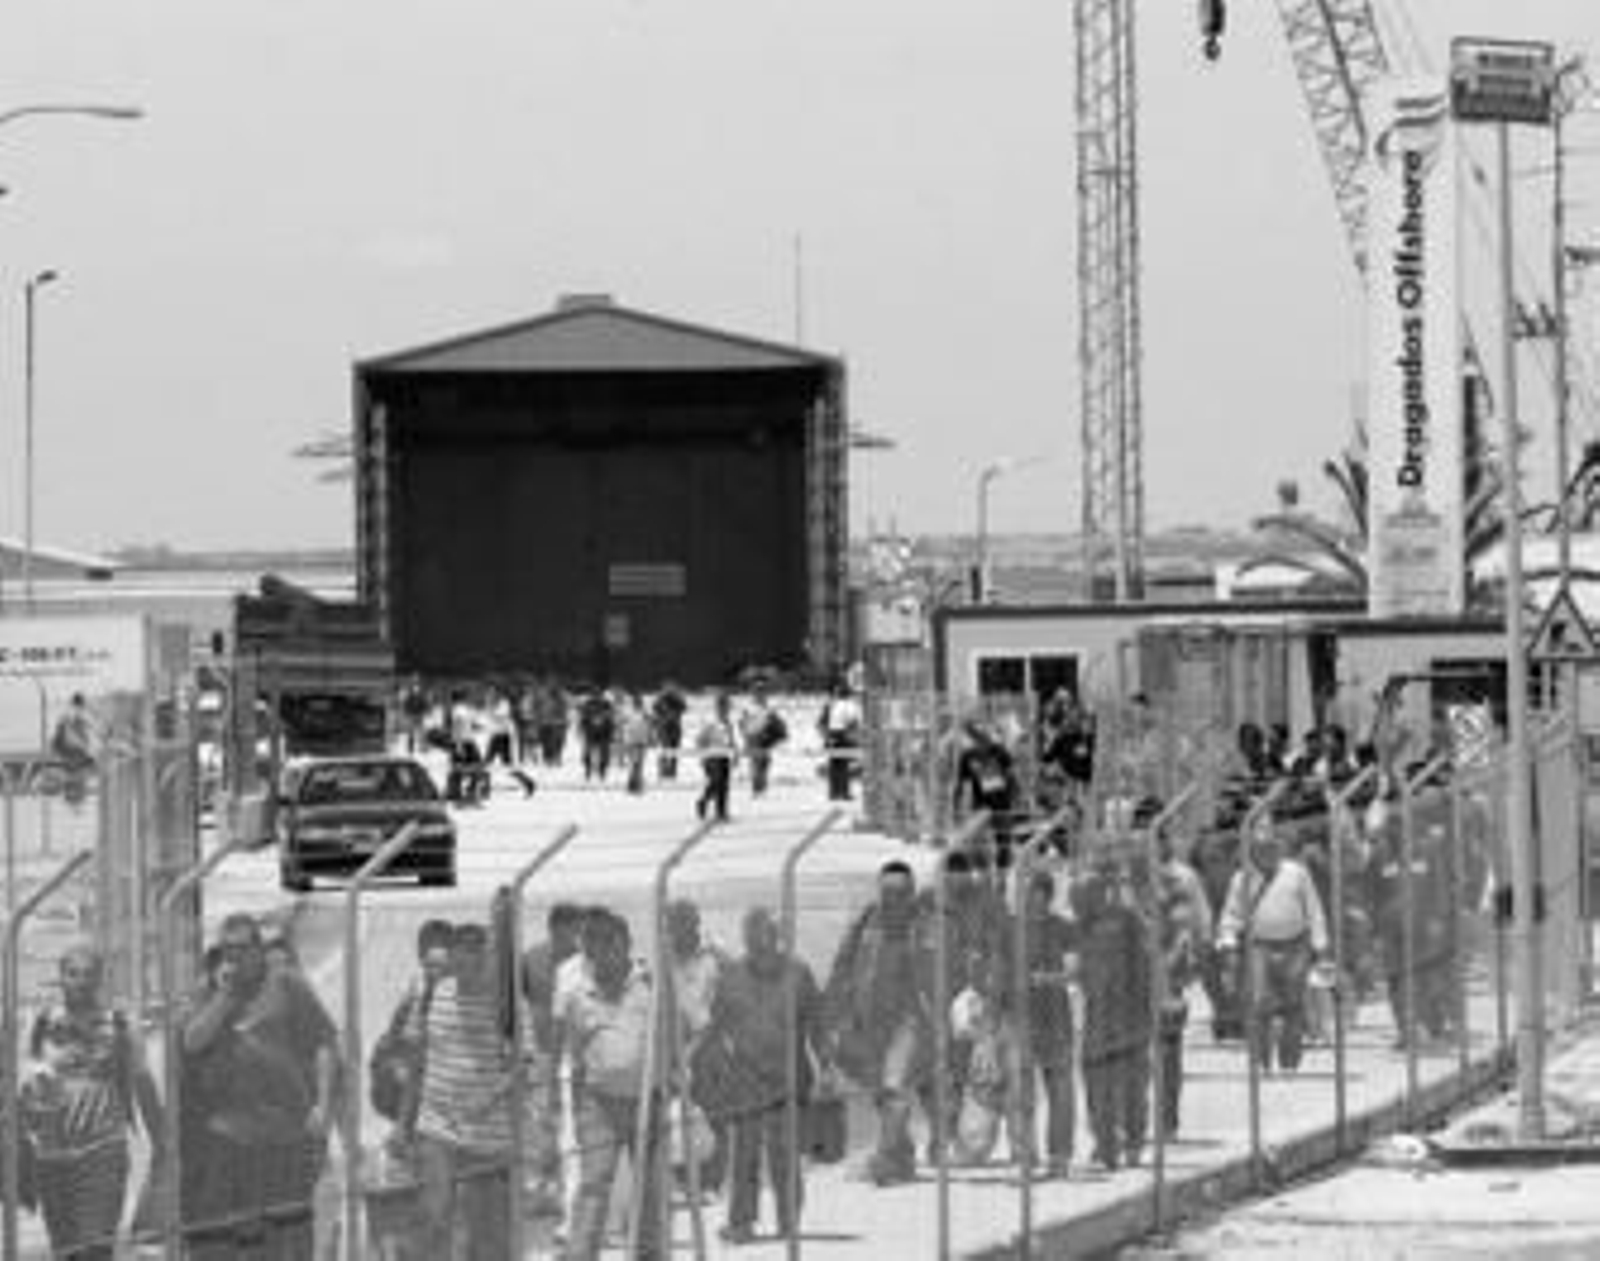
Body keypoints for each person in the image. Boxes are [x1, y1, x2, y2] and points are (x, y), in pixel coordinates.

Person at [180, 913, 340, 1260]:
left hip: (285, 1133)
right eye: (227, 950)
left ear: (259, 949)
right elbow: (192, 1042)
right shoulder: (209, 988)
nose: (234, 958)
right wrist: (224, 996)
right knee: (234, 1241)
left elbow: (325, 1043)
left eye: (242, 949)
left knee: (289, 1240)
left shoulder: (286, 983)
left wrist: (323, 1105)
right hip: (229, 1138)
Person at [20, 941, 164, 1261]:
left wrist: (164, 1146)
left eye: (88, 974)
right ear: (62, 977)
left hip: (103, 1151)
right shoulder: (40, 1024)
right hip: (52, 1156)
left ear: (99, 979)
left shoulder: (121, 1025)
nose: (81, 981)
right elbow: (25, 1090)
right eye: (73, 974)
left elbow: (144, 1086)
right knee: (65, 1251)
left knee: (94, 1248)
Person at [402, 923, 519, 1261]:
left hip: (488, 1136)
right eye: (464, 950)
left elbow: (525, 1066)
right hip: (437, 1127)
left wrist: (491, 1093)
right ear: (453, 955)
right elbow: (417, 1055)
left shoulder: (506, 1005)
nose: (470, 958)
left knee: (489, 1231)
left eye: (478, 951)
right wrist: (404, 1123)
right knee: (434, 1217)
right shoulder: (434, 993)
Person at [713, 907, 829, 1245]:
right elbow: (717, 1027)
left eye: (763, 933)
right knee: (744, 1156)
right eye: (751, 934)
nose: (756, 940)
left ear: (776, 937)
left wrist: (827, 1065)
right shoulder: (731, 975)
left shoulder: (799, 972)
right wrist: (715, 1070)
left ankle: (788, 1221)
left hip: (789, 1079)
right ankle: (741, 1223)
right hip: (745, 1080)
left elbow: (816, 1022)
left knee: (784, 1155)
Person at [556, 910, 662, 1261]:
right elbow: (573, 1054)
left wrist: (673, 1074)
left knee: (650, 1188)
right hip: (597, 1102)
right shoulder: (577, 996)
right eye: (593, 944)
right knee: (594, 1184)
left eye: (609, 941)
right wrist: (572, 1106)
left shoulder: (652, 987)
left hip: (648, 1098)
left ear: (626, 944)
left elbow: (686, 1029)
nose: (601, 951)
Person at [823, 860, 933, 1186]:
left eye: (900, 892)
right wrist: (834, 1014)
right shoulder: (865, 921)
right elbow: (842, 965)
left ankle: (885, 1162)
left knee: (894, 1085)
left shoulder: (924, 926)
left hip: (909, 1021)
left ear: (911, 893)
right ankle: (903, 1157)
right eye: (887, 891)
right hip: (868, 1022)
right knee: (881, 1094)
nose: (893, 899)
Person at [1216, 817, 1330, 1074]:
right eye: (1261, 848)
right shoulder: (1241, 878)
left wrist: (1320, 945)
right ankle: (1261, 1060)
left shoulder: (1296, 873)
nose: (1268, 852)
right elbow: (1231, 914)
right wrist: (1228, 944)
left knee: (1293, 1003)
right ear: (1252, 850)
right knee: (1259, 1002)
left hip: (1296, 944)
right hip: (1260, 946)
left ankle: (1289, 1060)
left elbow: (1314, 910)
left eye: (1272, 846)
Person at [1071, 850, 1153, 1171]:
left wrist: (1147, 1010)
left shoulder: (1128, 919)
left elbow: (1144, 964)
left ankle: (1132, 1141)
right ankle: (1106, 1142)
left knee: (1131, 1079)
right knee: (1096, 1079)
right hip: (1096, 1013)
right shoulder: (1081, 923)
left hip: (1129, 1011)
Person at [1014, 868, 1079, 1175]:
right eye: (1023, 892)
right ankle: (1026, 1154)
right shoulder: (1011, 929)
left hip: (1054, 1014)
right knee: (1020, 1090)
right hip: (1020, 1017)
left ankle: (1060, 1155)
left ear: (1046, 895)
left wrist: (1045, 978)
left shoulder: (1062, 928)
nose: (1027, 899)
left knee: (1060, 1088)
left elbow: (1072, 969)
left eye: (1033, 893)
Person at [738, 684, 788, 799]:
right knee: (755, 764)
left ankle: (762, 788)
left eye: (762, 691)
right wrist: (745, 736)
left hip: (765, 738)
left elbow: (777, 721)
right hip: (753, 737)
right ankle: (756, 789)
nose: (760, 694)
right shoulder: (748, 707)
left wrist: (780, 733)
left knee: (764, 763)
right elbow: (742, 723)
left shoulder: (768, 707)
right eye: (757, 691)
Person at [695, 693, 738, 823]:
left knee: (724, 784)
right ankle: (704, 802)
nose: (726, 709)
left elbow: (731, 740)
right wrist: (703, 755)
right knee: (716, 782)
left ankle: (721, 811)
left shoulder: (728, 723)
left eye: (728, 707)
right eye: (724, 706)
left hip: (724, 757)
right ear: (718, 707)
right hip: (711, 757)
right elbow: (700, 739)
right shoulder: (710, 721)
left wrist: (735, 755)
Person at [818, 683, 862, 802]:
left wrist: (826, 736)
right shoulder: (850, 705)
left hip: (832, 734)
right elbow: (853, 721)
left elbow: (822, 722)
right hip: (843, 735)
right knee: (843, 765)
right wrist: (855, 737)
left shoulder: (831, 704)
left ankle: (833, 792)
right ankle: (844, 792)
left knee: (834, 764)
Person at [618, 693, 653, 795]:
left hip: (642, 741)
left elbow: (651, 725)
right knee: (634, 763)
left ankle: (637, 785)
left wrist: (651, 737)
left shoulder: (645, 713)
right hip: (631, 741)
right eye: (636, 701)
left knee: (639, 764)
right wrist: (621, 737)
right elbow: (621, 724)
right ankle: (632, 785)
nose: (637, 703)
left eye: (639, 701)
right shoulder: (628, 713)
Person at [578, 687, 616, 782]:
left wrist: (611, 731)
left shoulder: (606, 704)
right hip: (591, 732)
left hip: (603, 733)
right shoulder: (588, 704)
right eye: (595, 695)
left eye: (598, 695)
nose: (597, 697)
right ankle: (588, 769)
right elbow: (583, 717)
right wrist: (582, 728)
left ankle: (602, 770)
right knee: (588, 752)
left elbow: (611, 718)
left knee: (604, 753)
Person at [652, 684, 689, 781]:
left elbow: (684, 708)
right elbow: (655, 710)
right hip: (665, 728)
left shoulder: (676, 701)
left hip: (673, 728)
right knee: (666, 749)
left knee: (672, 750)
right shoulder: (662, 700)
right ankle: (665, 770)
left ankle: (670, 771)